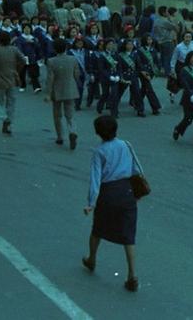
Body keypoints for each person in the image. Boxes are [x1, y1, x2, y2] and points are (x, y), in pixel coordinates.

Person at [82, 116, 141, 292]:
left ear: (98, 132)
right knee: (128, 235)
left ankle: (92, 258)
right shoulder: (126, 145)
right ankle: (132, 274)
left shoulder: (99, 152)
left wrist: (91, 203)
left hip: (108, 193)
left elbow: (95, 179)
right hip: (127, 191)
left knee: (98, 228)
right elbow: (136, 169)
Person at [44, 38, 80, 149]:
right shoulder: (73, 59)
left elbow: (50, 79)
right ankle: (72, 131)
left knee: (57, 115)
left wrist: (48, 94)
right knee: (70, 114)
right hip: (70, 88)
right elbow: (77, 74)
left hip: (57, 90)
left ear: (55, 49)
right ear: (66, 48)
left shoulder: (51, 61)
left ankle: (60, 137)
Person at [0, 30, 25, 135]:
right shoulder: (14, 50)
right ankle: (9, 124)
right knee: (11, 102)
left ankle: (4, 117)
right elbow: (23, 60)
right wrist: (17, 69)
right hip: (12, 78)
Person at [173, 51, 193, 148]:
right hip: (189, 98)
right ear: (189, 59)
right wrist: (192, 95)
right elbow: (185, 84)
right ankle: (178, 129)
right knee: (188, 118)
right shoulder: (184, 70)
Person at [134, 35, 162, 116]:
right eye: (148, 39)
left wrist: (157, 69)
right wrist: (143, 71)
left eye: (151, 39)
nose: (150, 41)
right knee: (149, 89)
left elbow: (157, 61)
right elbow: (139, 62)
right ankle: (154, 107)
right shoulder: (140, 50)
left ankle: (136, 103)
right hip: (143, 72)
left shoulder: (154, 50)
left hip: (151, 72)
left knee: (144, 89)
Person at [117, 39, 145, 118]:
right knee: (119, 93)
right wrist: (121, 77)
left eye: (131, 45)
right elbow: (119, 67)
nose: (130, 46)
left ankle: (140, 110)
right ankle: (114, 109)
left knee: (137, 93)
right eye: (128, 45)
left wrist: (141, 72)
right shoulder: (120, 55)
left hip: (133, 76)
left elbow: (138, 65)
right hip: (124, 76)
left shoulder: (135, 54)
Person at [152, 6, 177, 75]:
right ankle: (167, 72)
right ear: (163, 13)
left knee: (162, 57)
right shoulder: (165, 21)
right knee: (168, 58)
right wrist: (170, 19)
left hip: (159, 41)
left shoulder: (156, 20)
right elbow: (175, 27)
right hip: (167, 41)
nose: (168, 13)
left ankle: (161, 70)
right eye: (166, 12)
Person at [68, 37, 89, 110]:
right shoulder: (70, 52)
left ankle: (77, 102)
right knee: (79, 87)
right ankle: (77, 103)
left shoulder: (86, 51)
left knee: (81, 88)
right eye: (78, 43)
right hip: (75, 72)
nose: (80, 44)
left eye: (81, 43)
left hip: (84, 72)